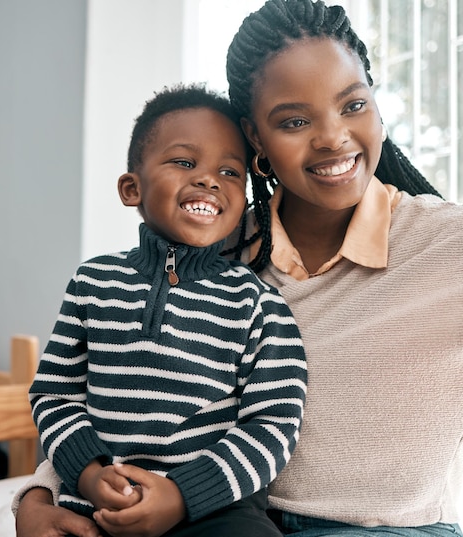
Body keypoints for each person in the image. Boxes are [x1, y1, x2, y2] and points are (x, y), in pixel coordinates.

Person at [13, 1, 463, 536]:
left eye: (353, 104)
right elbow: (119, 386)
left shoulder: (462, 245)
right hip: (218, 519)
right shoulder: (215, 252)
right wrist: (36, 495)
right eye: (295, 121)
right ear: (256, 140)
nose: (334, 138)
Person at [23, 83, 307, 537]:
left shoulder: (259, 303)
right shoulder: (92, 282)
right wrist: (90, 475)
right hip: (95, 505)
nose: (209, 179)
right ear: (131, 188)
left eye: (230, 172)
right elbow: (55, 395)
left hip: (210, 511)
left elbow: (274, 424)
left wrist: (183, 497)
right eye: (184, 162)